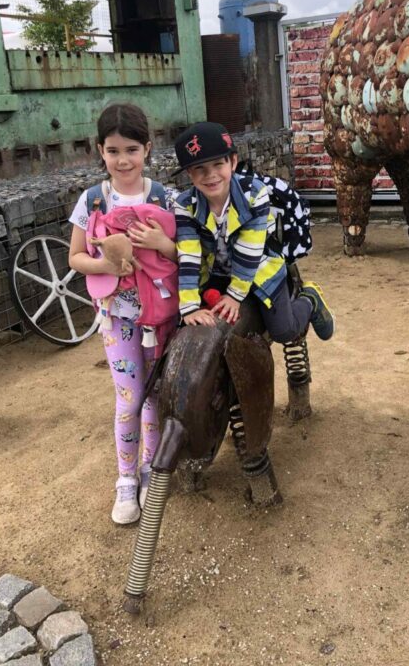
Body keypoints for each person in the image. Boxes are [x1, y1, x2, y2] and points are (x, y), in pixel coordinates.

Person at [68, 103, 177, 525]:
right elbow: (76, 257)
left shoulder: (164, 197)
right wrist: (109, 266)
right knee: (129, 398)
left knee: (154, 394)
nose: (123, 160)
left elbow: (184, 253)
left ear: (147, 148)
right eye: (113, 151)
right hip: (117, 317)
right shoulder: (92, 199)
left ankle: (150, 470)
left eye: (131, 149)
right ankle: (126, 479)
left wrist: (160, 243)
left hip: (160, 314)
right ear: (100, 151)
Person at [173, 121, 335, 341]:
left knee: (284, 331)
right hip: (216, 273)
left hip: (259, 266)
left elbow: (249, 251)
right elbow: (189, 255)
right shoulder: (185, 205)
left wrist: (234, 296)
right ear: (189, 173)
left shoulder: (254, 194)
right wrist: (189, 307)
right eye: (200, 168)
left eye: (218, 164)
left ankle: (310, 299)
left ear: (233, 162)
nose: (210, 175)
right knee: (179, 325)